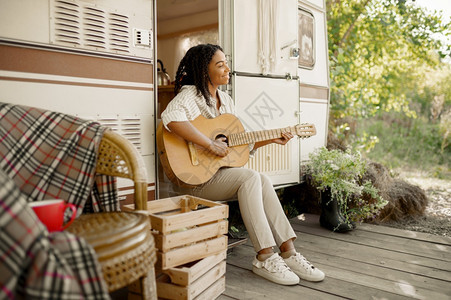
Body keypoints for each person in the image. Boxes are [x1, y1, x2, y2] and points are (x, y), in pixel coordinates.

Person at [160, 43, 325, 285]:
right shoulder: (191, 95)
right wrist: (208, 143)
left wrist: (272, 139)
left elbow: (238, 146)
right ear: (204, 71)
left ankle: (288, 252)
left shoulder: (225, 100)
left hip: (217, 176)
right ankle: (265, 257)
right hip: (192, 179)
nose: (227, 68)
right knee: (249, 177)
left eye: (226, 62)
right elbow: (171, 119)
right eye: (220, 64)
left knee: (262, 178)